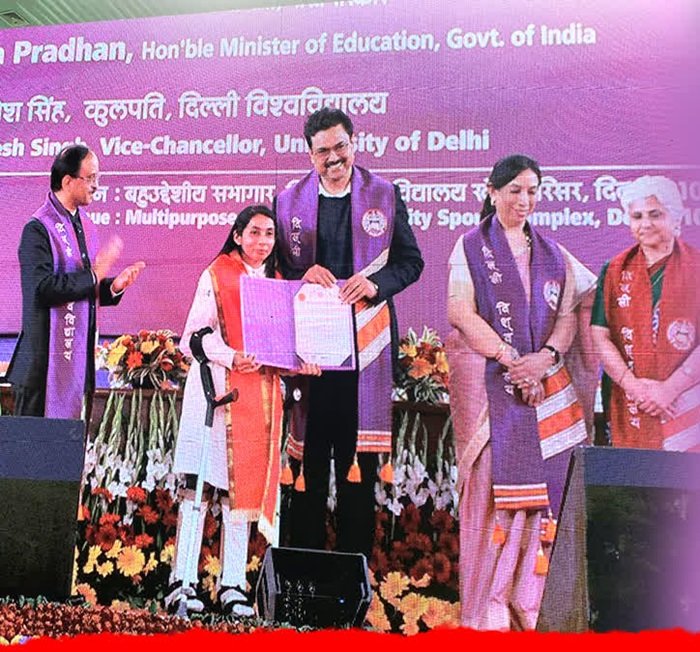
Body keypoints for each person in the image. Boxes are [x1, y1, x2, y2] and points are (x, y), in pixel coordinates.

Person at [445, 154, 596, 630]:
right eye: (514, 190)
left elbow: (570, 313)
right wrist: (511, 359)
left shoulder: (554, 254)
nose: (524, 200)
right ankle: (488, 615)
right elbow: (460, 312)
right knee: (491, 497)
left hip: (544, 391)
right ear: (492, 192)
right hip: (493, 390)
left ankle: (529, 610)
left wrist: (546, 358)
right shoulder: (469, 247)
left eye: (532, 191)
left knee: (542, 502)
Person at [275, 108, 424, 561]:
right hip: (311, 357)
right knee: (308, 470)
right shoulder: (287, 202)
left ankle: (350, 581)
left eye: (340, 146)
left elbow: (411, 263)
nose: (334, 158)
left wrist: (376, 285)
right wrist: (300, 275)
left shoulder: (385, 195)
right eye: (323, 151)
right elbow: (274, 271)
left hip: (366, 354)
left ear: (354, 143)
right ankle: (303, 576)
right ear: (310, 155)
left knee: (357, 471)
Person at [167, 205, 320, 616]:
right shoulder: (216, 274)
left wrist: (303, 360)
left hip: (260, 400)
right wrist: (231, 356)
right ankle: (182, 583)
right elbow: (193, 338)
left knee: (241, 494)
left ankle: (232, 585)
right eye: (254, 232)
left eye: (269, 234)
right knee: (198, 490)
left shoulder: (278, 284)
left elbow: (283, 346)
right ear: (237, 235)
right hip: (215, 396)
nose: (262, 241)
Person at [6, 144, 144, 420]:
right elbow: (42, 289)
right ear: (68, 181)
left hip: (76, 367)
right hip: (41, 370)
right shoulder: (38, 229)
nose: (96, 185)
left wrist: (112, 287)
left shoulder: (84, 225)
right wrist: (94, 275)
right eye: (90, 178)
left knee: (71, 447)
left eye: (97, 178)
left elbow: (81, 288)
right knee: (35, 448)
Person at [591, 175, 700, 451]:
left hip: (687, 404)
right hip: (630, 401)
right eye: (637, 216)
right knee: (634, 475)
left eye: (655, 214)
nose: (645, 223)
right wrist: (636, 388)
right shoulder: (614, 270)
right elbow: (600, 336)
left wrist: (670, 389)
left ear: (675, 217)